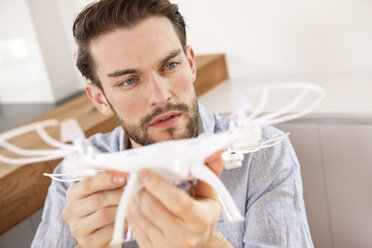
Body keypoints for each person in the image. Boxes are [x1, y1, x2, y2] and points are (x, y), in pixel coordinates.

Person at [31, 0, 313, 247]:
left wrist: (207, 245)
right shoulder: (78, 178)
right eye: (129, 81)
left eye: (169, 66)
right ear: (100, 99)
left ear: (190, 64)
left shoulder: (263, 152)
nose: (160, 96)